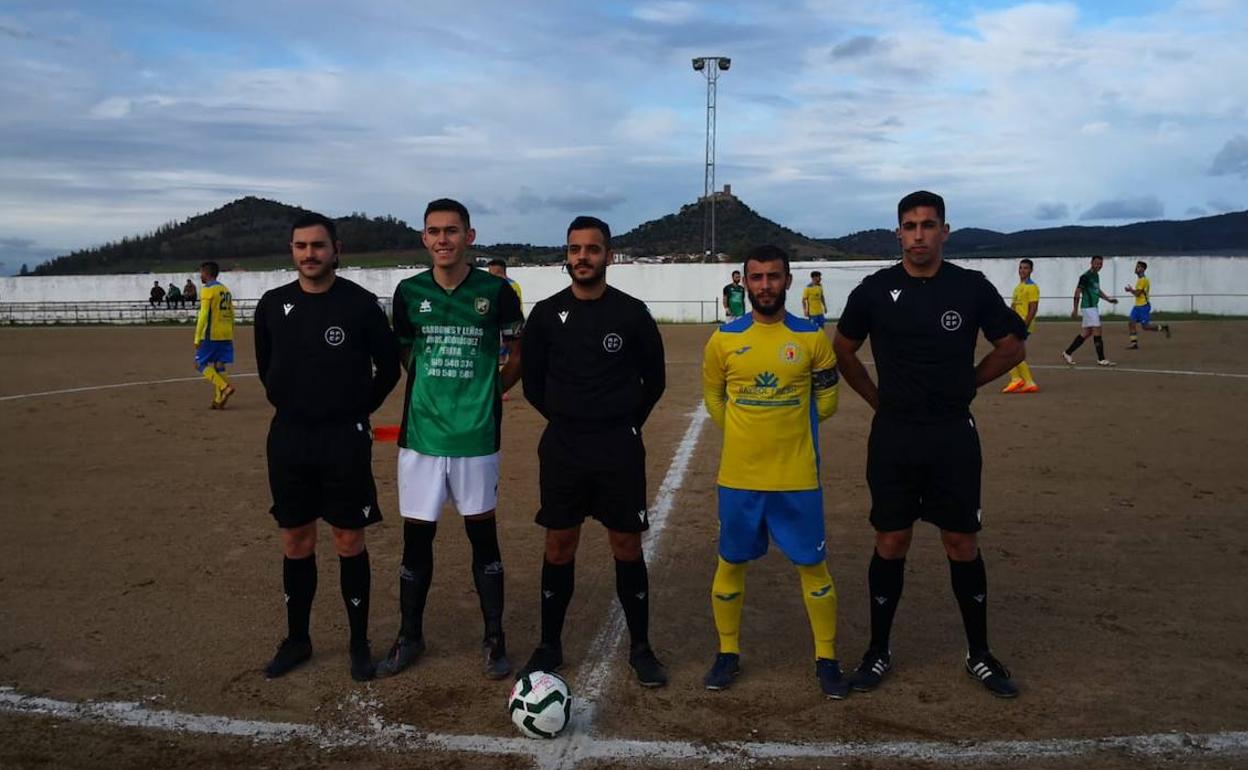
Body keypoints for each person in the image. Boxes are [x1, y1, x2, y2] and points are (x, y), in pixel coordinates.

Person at [832, 190, 1027, 699]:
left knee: (961, 542)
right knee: (890, 541)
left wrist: (970, 382)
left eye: (928, 224)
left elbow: (1011, 346)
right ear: (898, 232)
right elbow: (844, 350)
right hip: (894, 435)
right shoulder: (875, 290)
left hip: (951, 435)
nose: (919, 234)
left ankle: (979, 653)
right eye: (910, 225)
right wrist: (877, 399)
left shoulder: (970, 287)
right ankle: (877, 651)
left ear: (945, 231)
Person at [517, 216, 668, 687]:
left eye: (592, 249)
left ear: (610, 255)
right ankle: (549, 645)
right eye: (575, 249)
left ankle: (641, 647)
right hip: (563, 446)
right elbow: (533, 384)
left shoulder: (631, 313)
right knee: (559, 544)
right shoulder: (545, 314)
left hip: (618, 448)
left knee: (625, 543)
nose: (583, 257)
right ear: (566, 254)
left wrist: (623, 424)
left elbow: (655, 380)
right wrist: (569, 418)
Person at [377, 199, 524, 681]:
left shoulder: (495, 292)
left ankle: (494, 638)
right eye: (434, 231)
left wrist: (492, 388)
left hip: (477, 436)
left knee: (483, 537)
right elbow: (403, 346)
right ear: (424, 238)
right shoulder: (408, 292)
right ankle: (409, 636)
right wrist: (426, 386)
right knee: (417, 541)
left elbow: (517, 348)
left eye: (452, 231)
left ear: (470, 236)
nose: (443, 239)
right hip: (420, 437)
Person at [254, 212, 401, 682]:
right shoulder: (273, 305)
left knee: (347, 538)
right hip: (290, 438)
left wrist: (359, 409)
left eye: (318, 245)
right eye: (301, 246)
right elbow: (266, 366)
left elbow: (389, 367)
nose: (309, 254)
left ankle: (359, 644)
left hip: (344, 438)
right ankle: (298, 639)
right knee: (295, 539)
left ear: (337, 249)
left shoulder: (359, 305)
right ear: (292, 250)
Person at [701, 244, 848, 699]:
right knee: (730, 564)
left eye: (774, 277)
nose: (765, 285)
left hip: (798, 478)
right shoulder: (723, 340)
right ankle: (728, 653)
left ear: (788, 281)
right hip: (739, 478)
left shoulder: (811, 338)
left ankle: (826, 657)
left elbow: (827, 401)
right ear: (744, 283)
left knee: (814, 567)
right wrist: (749, 434)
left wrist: (786, 432)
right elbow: (714, 400)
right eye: (757, 277)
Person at [1061, 255, 1118, 366]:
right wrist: (1075, 309)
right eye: (1097, 263)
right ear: (1091, 263)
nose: (1099, 265)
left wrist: (1108, 299)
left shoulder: (1096, 276)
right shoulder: (1085, 276)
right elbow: (1077, 292)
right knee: (1097, 330)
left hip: (1093, 307)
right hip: (1088, 307)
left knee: (1086, 333)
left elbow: (1097, 290)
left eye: (1101, 264)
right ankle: (1101, 359)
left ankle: (1067, 353)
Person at [194, 261, 237, 409]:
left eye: (201, 272)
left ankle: (224, 387)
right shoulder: (225, 290)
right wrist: (231, 331)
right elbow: (232, 313)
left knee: (199, 364)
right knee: (219, 365)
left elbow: (203, 314)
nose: (200, 275)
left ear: (207, 273)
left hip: (211, 333)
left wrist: (197, 336)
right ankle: (219, 399)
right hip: (226, 333)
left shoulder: (208, 289)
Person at [1003, 259, 1040, 393]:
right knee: (1012, 351)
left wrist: (1024, 325)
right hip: (1015, 323)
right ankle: (1025, 381)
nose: (1022, 270)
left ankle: (1019, 379)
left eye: (1025, 268)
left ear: (1031, 270)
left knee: (1008, 350)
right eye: (1020, 268)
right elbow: (1014, 307)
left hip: (1023, 324)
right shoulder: (1018, 287)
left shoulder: (1032, 287)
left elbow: (1033, 308)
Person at [1125, 261, 1171, 348]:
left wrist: (1130, 290)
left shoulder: (1143, 280)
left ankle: (1163, 328)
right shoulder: (1140, 280)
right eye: (1136, 267)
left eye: (1138, 267)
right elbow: (1138, 293)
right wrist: (1131, 290)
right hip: (1137, 306)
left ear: (1143, 269)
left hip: (1143, 306)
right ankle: (1134, 343)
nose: (1136, 268)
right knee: (1131, 323)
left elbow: (1138, 294)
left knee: (1145, 327)